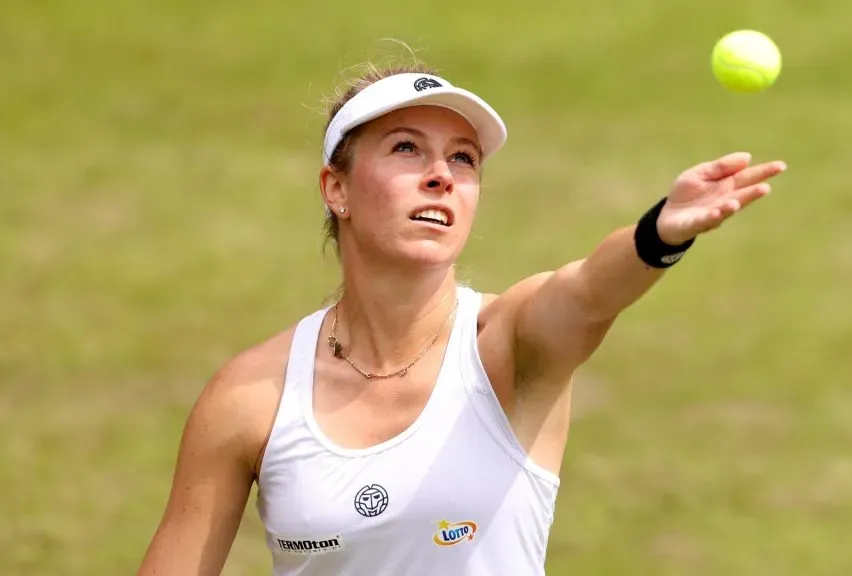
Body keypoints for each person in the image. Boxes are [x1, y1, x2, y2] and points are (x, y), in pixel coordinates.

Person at [136, 61, 786, 576]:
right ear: (337, 189)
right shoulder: (252, 397)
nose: (441, 176)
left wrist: (659, 235)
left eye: (463, 159)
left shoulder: (508, 344)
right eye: (406, 149)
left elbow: (588, 291)